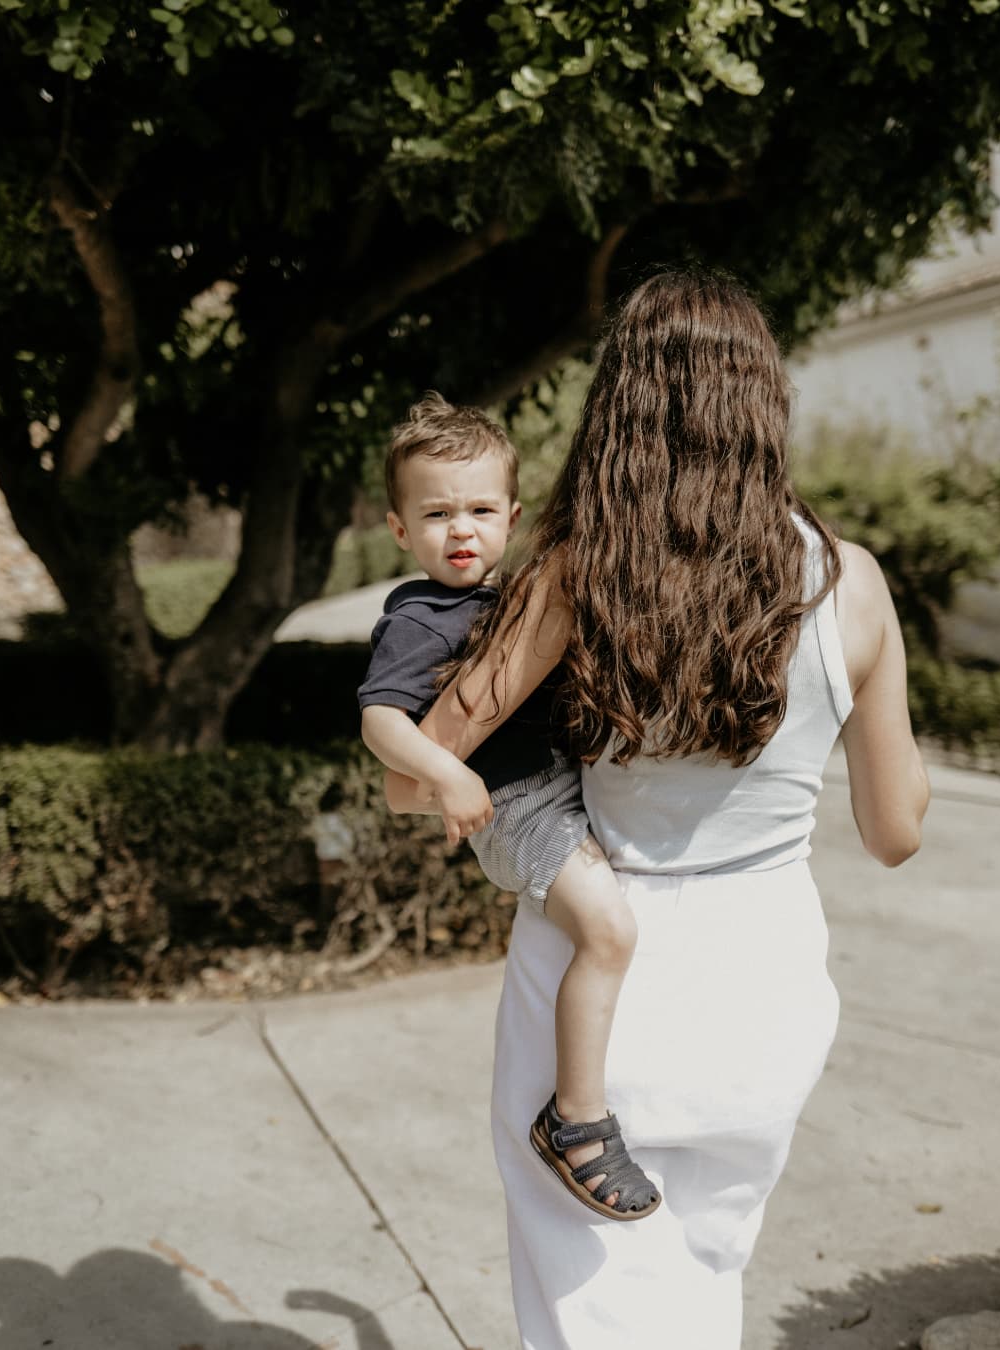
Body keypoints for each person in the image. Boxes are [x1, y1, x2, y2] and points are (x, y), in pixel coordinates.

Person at [384, 271, 931, 1349]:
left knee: (595, 1315)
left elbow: (415, 780)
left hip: (601, 992)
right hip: (766, 989)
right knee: (704, 1284)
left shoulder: (577, 572)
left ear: (620, 410)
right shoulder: (851, 580)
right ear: (764, 406)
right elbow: (894, 832)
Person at [358, 393, 660, 1220]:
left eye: (481, 511)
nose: (461, 530)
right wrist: (448, 774)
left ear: (513, 517)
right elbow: (381, 720)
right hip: (518, 805)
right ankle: (577, 1121)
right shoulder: (421, 618)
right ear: (399, 529)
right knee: (609, 930)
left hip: (557, 786)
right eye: (437, 514)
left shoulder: (506, 597)